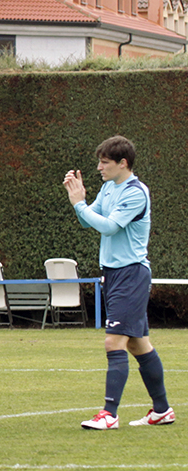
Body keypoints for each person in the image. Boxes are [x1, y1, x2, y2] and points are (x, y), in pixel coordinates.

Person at [64, 135, 174, 430]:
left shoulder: (136, 193)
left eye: (104, 162)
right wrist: (80, 202)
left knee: (113, 341)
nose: (99, 167)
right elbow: (88, 220)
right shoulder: (109, 187)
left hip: (131, 274)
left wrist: (80, 203)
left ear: (123, 163)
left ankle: (109, 414)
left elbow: (110, 227)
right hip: (114, 275)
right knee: (138, 345)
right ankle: (162, 410)